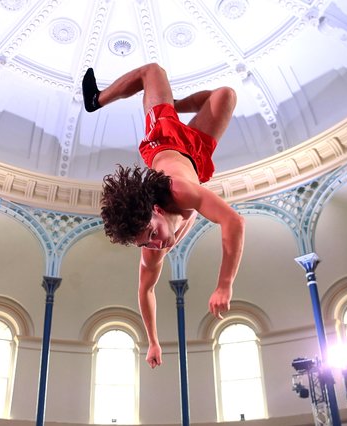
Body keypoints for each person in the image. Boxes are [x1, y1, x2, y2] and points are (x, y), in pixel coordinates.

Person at [83, 63, 245, 368]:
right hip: (195, 155)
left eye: (152, 234)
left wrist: (225, 284)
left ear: (156, 210)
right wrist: (153, 341)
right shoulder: (152, 248)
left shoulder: (178, 191)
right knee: (225, 96)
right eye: (146, 243)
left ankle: (97, 100)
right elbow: (145, 290)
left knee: (153, 72)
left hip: (165, 138)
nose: (155, 245)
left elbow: (234, 221)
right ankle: (174, 102)